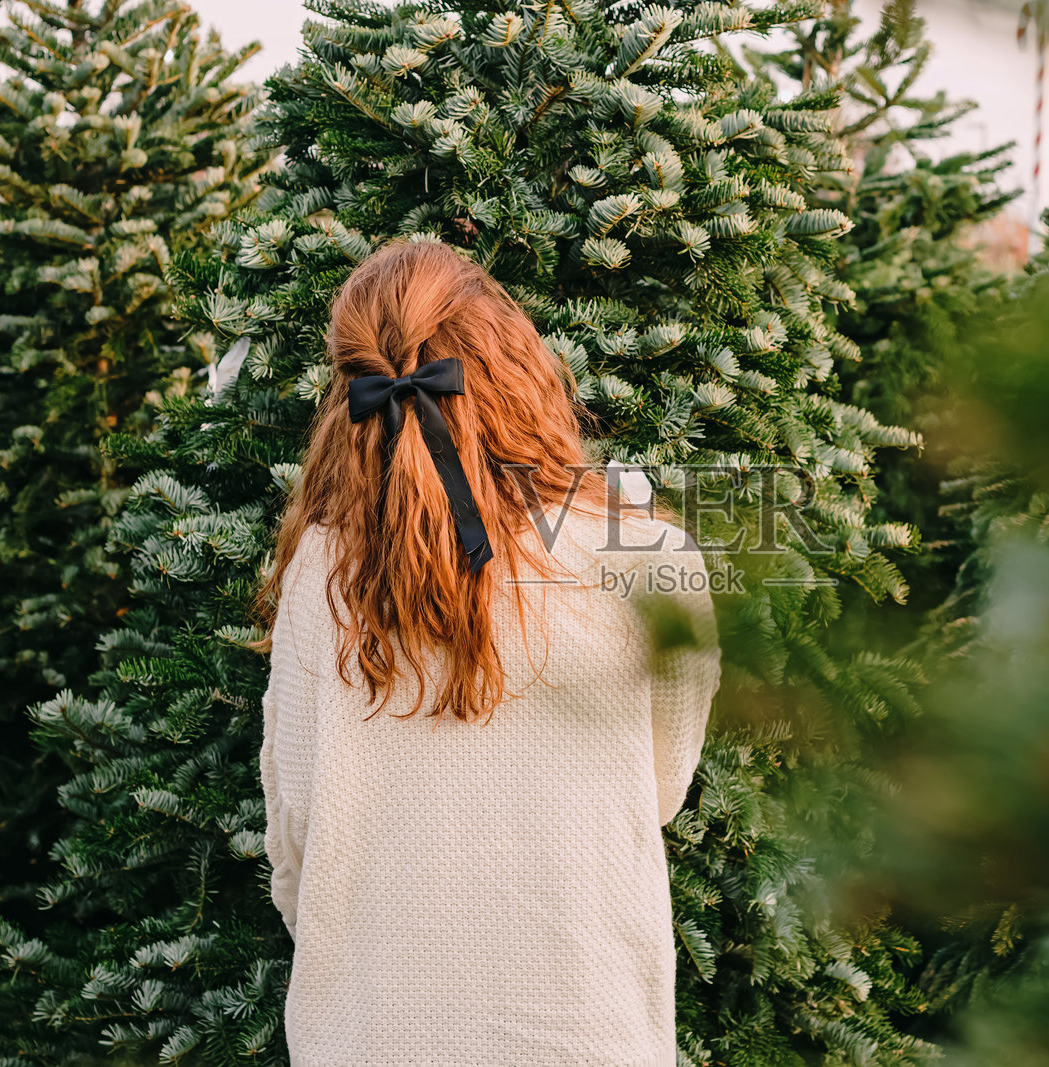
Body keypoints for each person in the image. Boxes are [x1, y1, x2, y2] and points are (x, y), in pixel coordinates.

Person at [255, 238, 721, 1066]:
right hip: (584, 1023)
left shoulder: (321, 573)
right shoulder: (644, 553)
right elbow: (657, 787)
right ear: (517, 363)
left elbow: (296, 825)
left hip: (377, 1028)